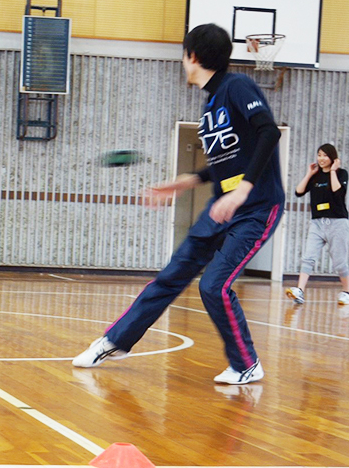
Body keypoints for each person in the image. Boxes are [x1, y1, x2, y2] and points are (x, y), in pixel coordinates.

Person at [73, 23, 284, 386]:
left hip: (256, 208)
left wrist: (244, 190)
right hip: (222, 206)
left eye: (183, 54)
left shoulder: (238, 86)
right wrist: (187, 181)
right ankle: (115, 341)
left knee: (214, 286)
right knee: (172, 274)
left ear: (192, 56)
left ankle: (247, 364)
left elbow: (269, 131)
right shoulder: (211, 102)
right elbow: (229, 161)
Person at [286, 144, 349, 305]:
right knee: (308, 257)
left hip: (337, 222)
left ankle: (347, 292)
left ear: (332, 157)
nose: (321, 158)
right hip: (317, 223)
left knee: (339, 261)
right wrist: (309, 174)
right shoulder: (315, 176)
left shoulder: (341, 173)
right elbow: (298, 191)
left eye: (325, 155)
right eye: (319, 155)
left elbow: (338, 193)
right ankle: (300, 290)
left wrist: (333, 171)